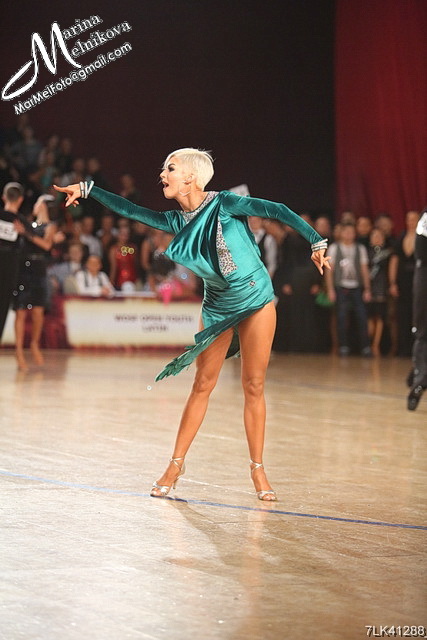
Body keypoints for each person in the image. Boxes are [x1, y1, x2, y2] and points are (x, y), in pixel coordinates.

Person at [54, 147, 330, 501]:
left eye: (170, 168)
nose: (162, 174)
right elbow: (133, 211)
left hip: (256, 297)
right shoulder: (176, 221)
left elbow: (277, 210)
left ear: (191, 177)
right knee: (202, 383)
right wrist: (88, 189)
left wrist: (316, 240)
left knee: (254, 385)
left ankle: (258, 468)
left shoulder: (226, 203)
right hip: (217, 305)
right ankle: (176, 464)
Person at [13, 195, 57, 370]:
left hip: (39, 269)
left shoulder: (50, 226)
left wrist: (26, 233)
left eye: (38, 203)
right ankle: (18, 350)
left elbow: (46, 245)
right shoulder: (27, 224)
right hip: (23, 268)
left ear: (43, 205)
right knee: (21, 310)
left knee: (38, 310)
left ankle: (34, 343)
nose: (35, 205)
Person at [325, 222, 372, 356]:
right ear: (341, 233)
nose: (349, 235)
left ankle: (365, 346)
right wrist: (330, 289)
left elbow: (364, 269)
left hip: (356, 287)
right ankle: (343, 346)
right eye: (346, 232)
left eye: (351, 232)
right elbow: (329, 270)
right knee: (341, 317)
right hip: (340, 287)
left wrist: (367, 288)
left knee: (362, 316)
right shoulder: (334, 248)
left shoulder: (360, 248)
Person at [388, 210, 420, 357]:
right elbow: (394, 261)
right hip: (402, 282)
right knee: (402, 315)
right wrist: (392, 283)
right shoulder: (400, 238)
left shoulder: (423, 238)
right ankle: (403, 348)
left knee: (417, 315)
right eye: (409, 219)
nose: (411, 222)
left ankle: (417, 348)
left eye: (414, 219)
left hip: (418, 281)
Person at [0, 182, 26, 341]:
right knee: (3, 305)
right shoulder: (22, 223)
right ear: (21, 199)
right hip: (10, 268)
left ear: (4, 197)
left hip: (9, 266)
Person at [407, 208, 427, 410]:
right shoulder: (426, 217)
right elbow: (421, 249)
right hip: (425, 274)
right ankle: (419, 379)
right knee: (423, 330)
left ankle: (418, 374)